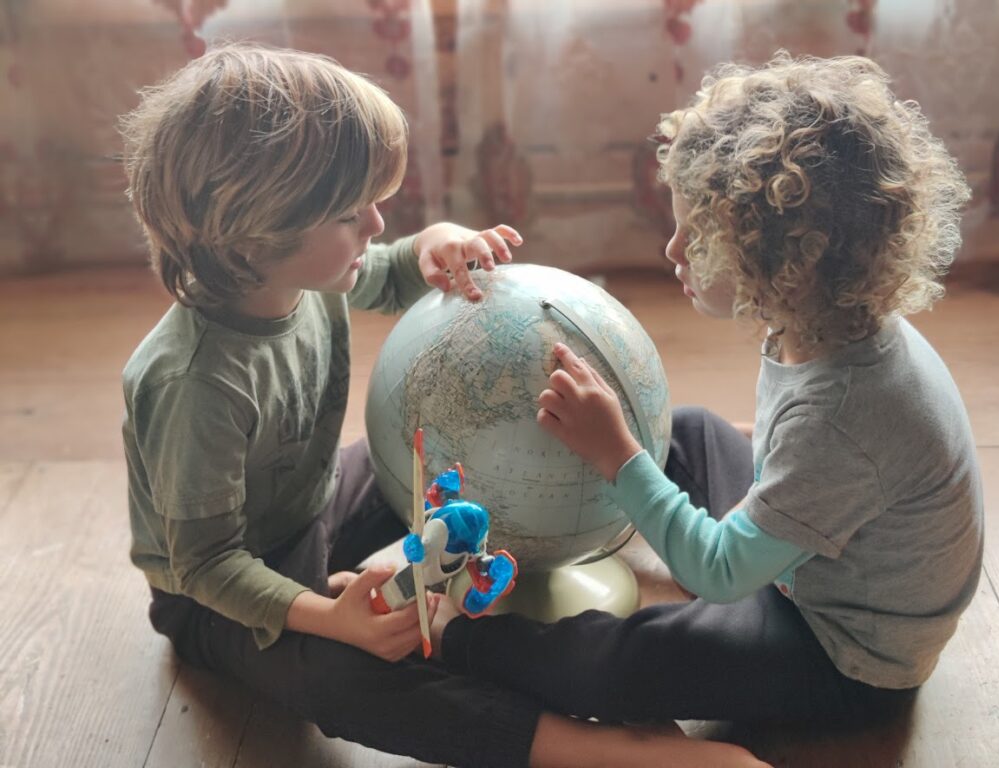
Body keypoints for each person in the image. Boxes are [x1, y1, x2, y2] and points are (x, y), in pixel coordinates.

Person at [120, 43, 767, 768]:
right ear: (254, 234)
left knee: (453, 451)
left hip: (316, 499)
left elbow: (391, 274)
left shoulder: (290, 275)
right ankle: (587, 747)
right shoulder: (194, 383)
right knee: (344, 683)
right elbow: (206, 565)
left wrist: (433, 246)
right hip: (221, 596)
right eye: (349, 214)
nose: (375, 224)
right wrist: (332, 621)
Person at [431, 51, 984, 733]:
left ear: (791, 256)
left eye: (698, 238)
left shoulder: (845, 415)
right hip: (810, 559)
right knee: (690, 429)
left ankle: (460, 635)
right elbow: (792, 463)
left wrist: (618, 456)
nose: (671, 252)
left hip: (846, 653)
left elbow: (723, 574)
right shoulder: (823, 322)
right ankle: (677, 535)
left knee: (625, 668)